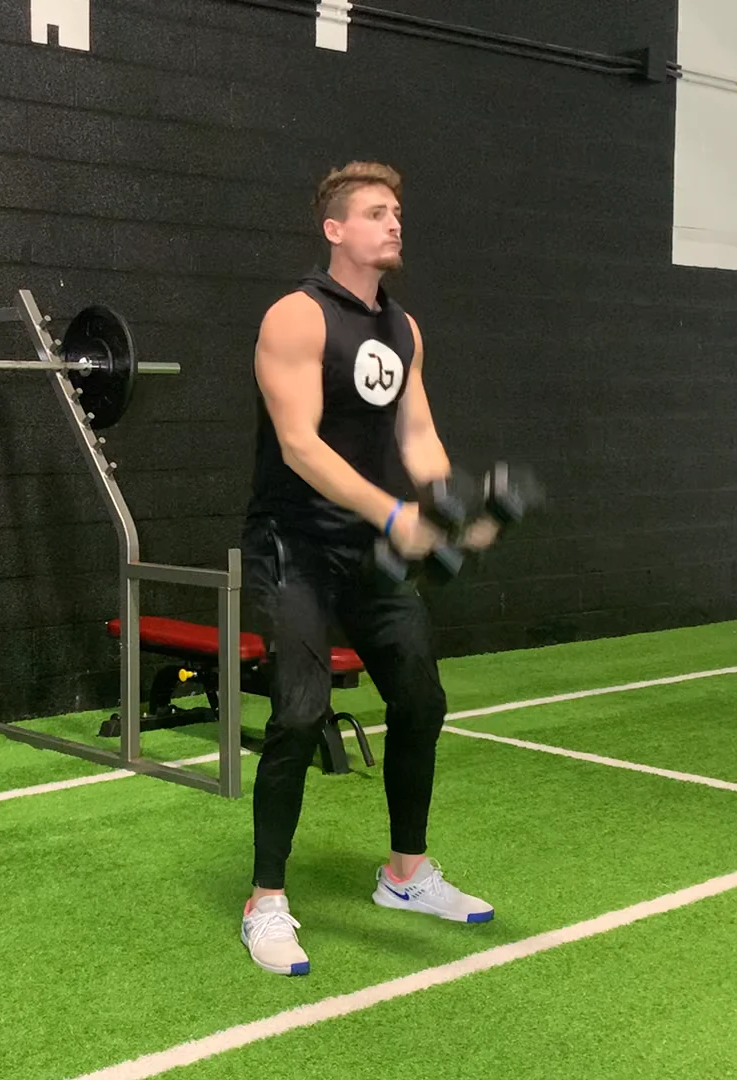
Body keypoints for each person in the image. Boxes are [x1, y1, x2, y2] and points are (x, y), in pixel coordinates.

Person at [239, 161, 500, 976]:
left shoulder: (404, 329)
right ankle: (265, 901)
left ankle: (405, 875)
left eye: (397, 212)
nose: (394, 223)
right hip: (294, 546)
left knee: (421, 699)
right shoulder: (296, 317)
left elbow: (417, 436)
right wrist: (393, 514)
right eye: (377, 213)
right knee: (299, 715)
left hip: (368, 552)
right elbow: (299, 445)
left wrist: (448, 507)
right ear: (335, 229)